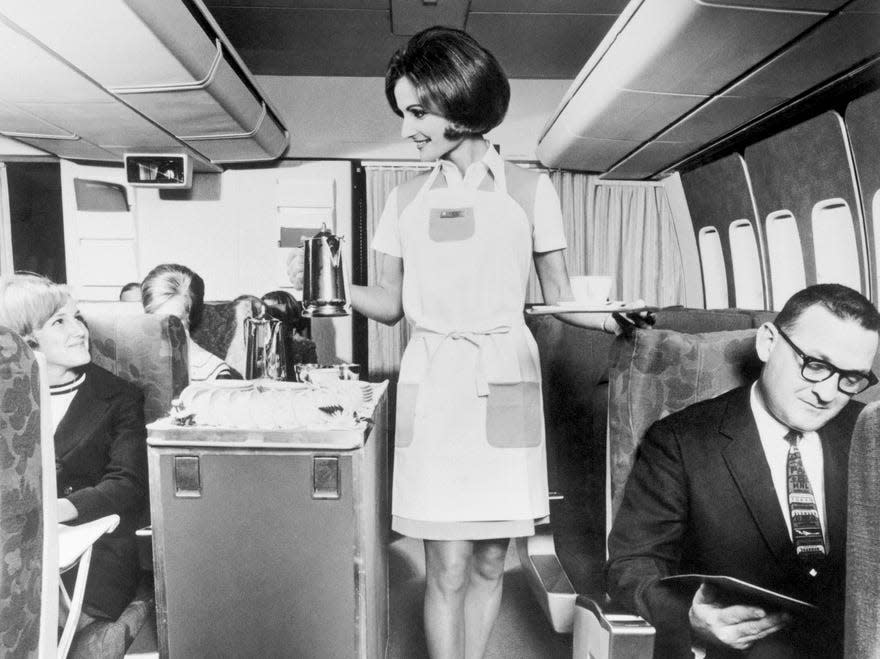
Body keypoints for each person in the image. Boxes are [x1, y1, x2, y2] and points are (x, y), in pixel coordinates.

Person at [289, 26, 648, 659]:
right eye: (404, 113)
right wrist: (330, 286)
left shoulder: (531, 191)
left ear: (460, 102)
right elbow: (391, 305)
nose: (408, 129)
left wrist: (626, 321)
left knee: (488, 564)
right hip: (436, 379)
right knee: (445, 567)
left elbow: (560, 296)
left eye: (418, 112)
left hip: (508, 373)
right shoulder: (403, 199)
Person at [606, 283, 880, 658]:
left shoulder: (868, 433)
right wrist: (690, 616)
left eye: (851, 379)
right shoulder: (682, 440)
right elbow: (632, 564)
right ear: (768, 343)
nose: (828, 393)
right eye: (815, 365)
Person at [0, 273, 148, 631]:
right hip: (15, 546)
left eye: (77, 317)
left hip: (97, 549)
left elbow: (127, 484)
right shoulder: (7, 397)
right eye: (60, 321)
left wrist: (53, 511)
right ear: (25, 340)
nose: (79, 330)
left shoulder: (120, 396)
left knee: (33, 628)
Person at [141, 263, 240, 381]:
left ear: (191, 317)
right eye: (154, 319)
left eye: (174, 322)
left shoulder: (213, 372)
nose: (163, 330)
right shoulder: (132, 361)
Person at [261, 289, 318, 366]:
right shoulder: (258, 343)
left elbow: (309, 373)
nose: (268, 319)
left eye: (276, 313)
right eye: (265, 313)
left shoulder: (304, 346)